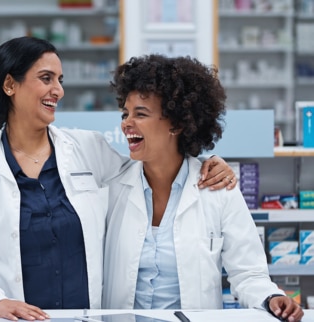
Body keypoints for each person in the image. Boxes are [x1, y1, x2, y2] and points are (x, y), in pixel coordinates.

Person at [0, 36, 237, 321]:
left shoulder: (87, 148)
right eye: (46, 78)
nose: (58, 90)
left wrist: (203, 163)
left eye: (60, 80)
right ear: (10, 85)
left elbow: (152, 168)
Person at [102, 54, 303, 322]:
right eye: (125, 113)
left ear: (177, 124)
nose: (126, 123)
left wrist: (270, 298)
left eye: (141, 113)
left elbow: (248, 272)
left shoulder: (218, 189)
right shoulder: (112, 186)